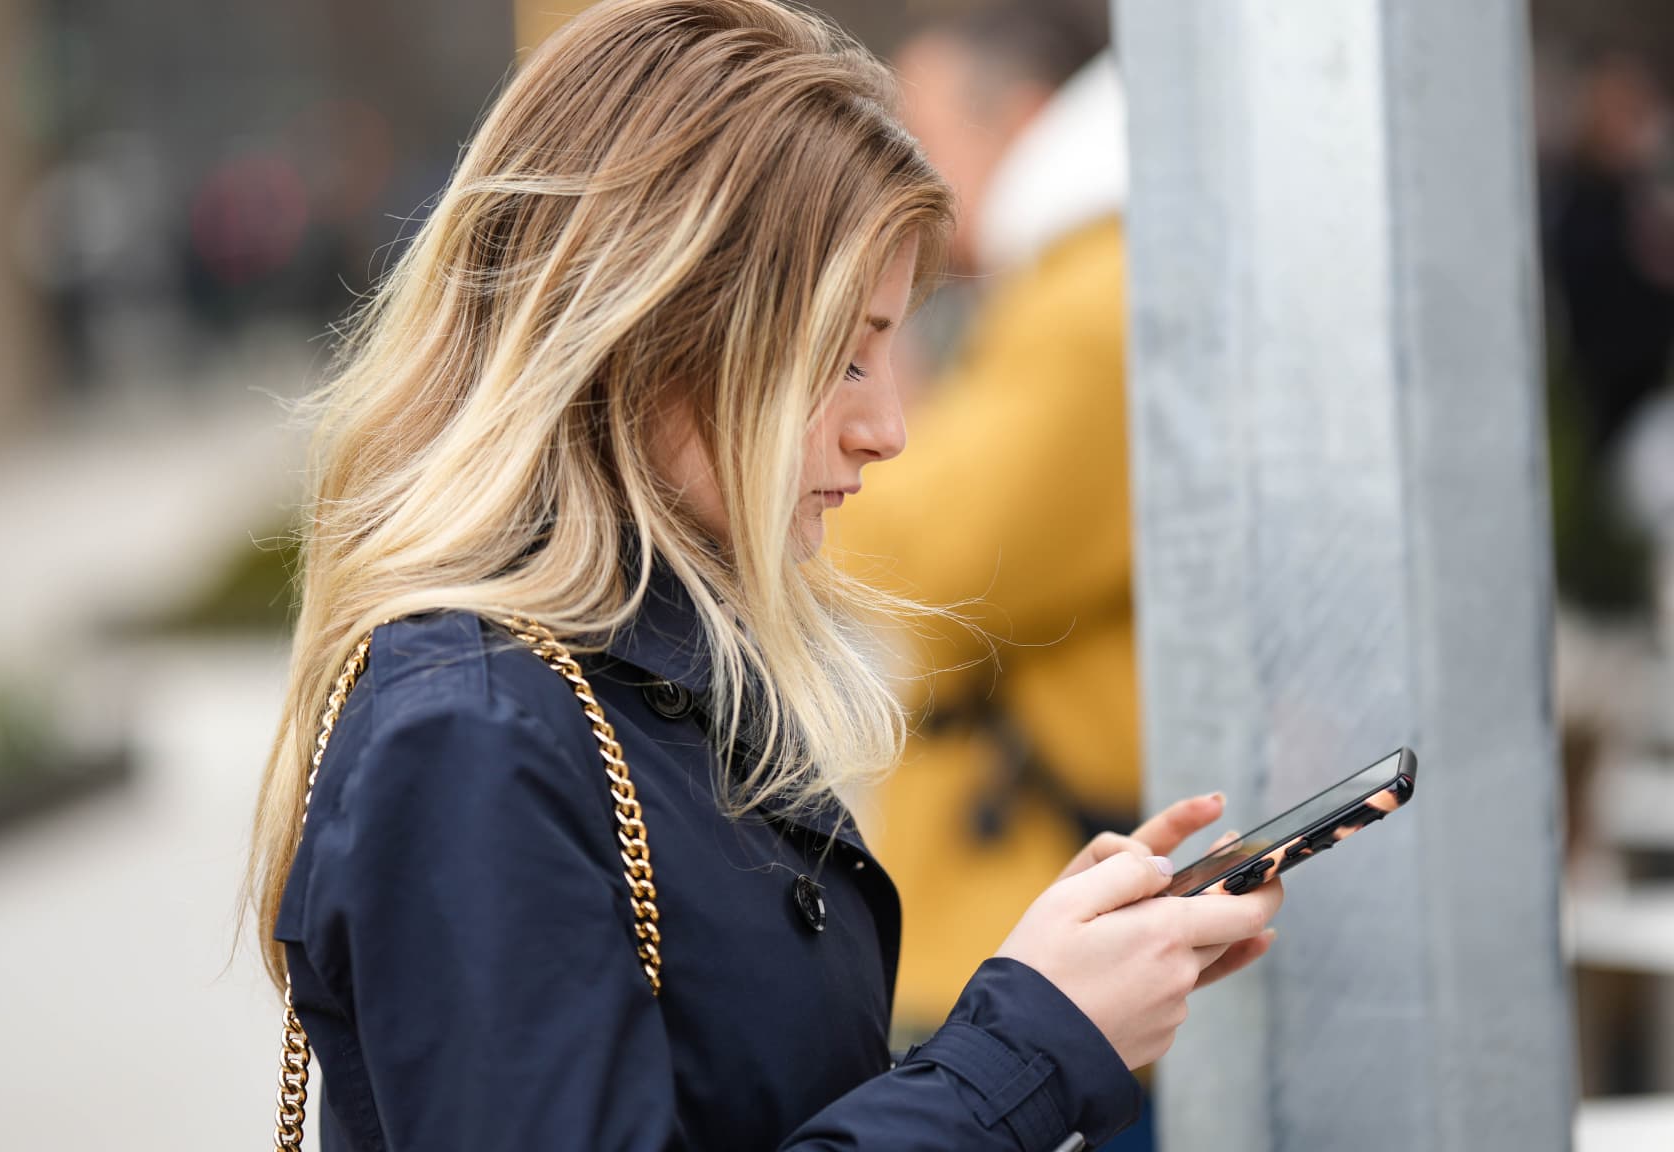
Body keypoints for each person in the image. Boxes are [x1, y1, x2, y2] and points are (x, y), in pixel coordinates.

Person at [245, 3, 1279, 1149]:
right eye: (843, 355)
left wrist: (1038, 989)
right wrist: (1030, 1041)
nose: (887, 427)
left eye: (896, 351)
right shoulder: (477, 736)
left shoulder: (630, 676)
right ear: (657, 327)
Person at [827, 3, 1142, 1038]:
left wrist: (852, 414)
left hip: (1031, 907)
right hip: (1034, 897)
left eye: (921, 132)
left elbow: (943, 563)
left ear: (1025, 116)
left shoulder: (1090, 303)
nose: (900, 173)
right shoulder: (1070, 284)